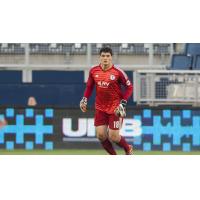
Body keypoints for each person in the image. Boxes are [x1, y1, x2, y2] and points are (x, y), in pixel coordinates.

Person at [80, 47, 133, 155]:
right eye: (103, 56)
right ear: (99, 57)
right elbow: (89, 86)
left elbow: (130, 87)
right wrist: (84, 99)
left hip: (115, 108)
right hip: (100, 107)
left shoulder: (118, 72)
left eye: (108, 56)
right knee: (101, 135)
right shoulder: (94, 71)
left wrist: (123, 103)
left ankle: (127, 148)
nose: (105, 58)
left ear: (111, 58)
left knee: (113, 137)